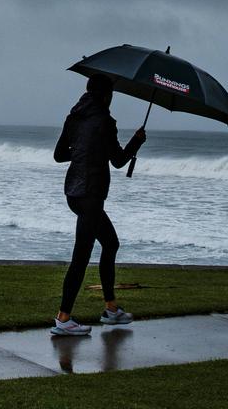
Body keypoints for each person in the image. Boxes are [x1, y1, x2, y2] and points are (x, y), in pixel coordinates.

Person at [50, 74, 145, 336]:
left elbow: (59, 155)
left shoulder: (74, 117)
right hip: (91, 193)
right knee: (81, 257)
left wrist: (83, 149)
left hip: (74, 192)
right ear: (106, 95)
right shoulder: (105, 121)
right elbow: (118, 161)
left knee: (111, 244)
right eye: (111, 93)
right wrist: (137, 141)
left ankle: (111, 309)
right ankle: (63, 318)